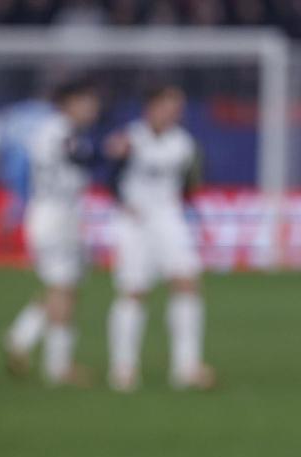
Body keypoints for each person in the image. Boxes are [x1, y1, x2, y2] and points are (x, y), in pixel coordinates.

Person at [105, 84, 214, 392]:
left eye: (177, 107)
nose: (173, 113)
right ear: (151, 107)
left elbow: (190, 184)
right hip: (135, 222)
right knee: (133, 290)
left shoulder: (183, 143)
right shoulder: (130, 139)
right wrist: (124, 201)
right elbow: (110, 179)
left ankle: (186, 367)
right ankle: (123, 368)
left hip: (169, 218)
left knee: (187, 282)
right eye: (168, 105)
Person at [2, 78, 101, 385]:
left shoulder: (50, 130)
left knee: (64, 286)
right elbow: (79, 156)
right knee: (62, 289)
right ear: (69, 102)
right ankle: (58, 366)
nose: (93, 107)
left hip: (56, 213)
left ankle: (22, 335)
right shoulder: (59, 131)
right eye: (86, 101)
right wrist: (110, 151)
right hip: (56, 216)